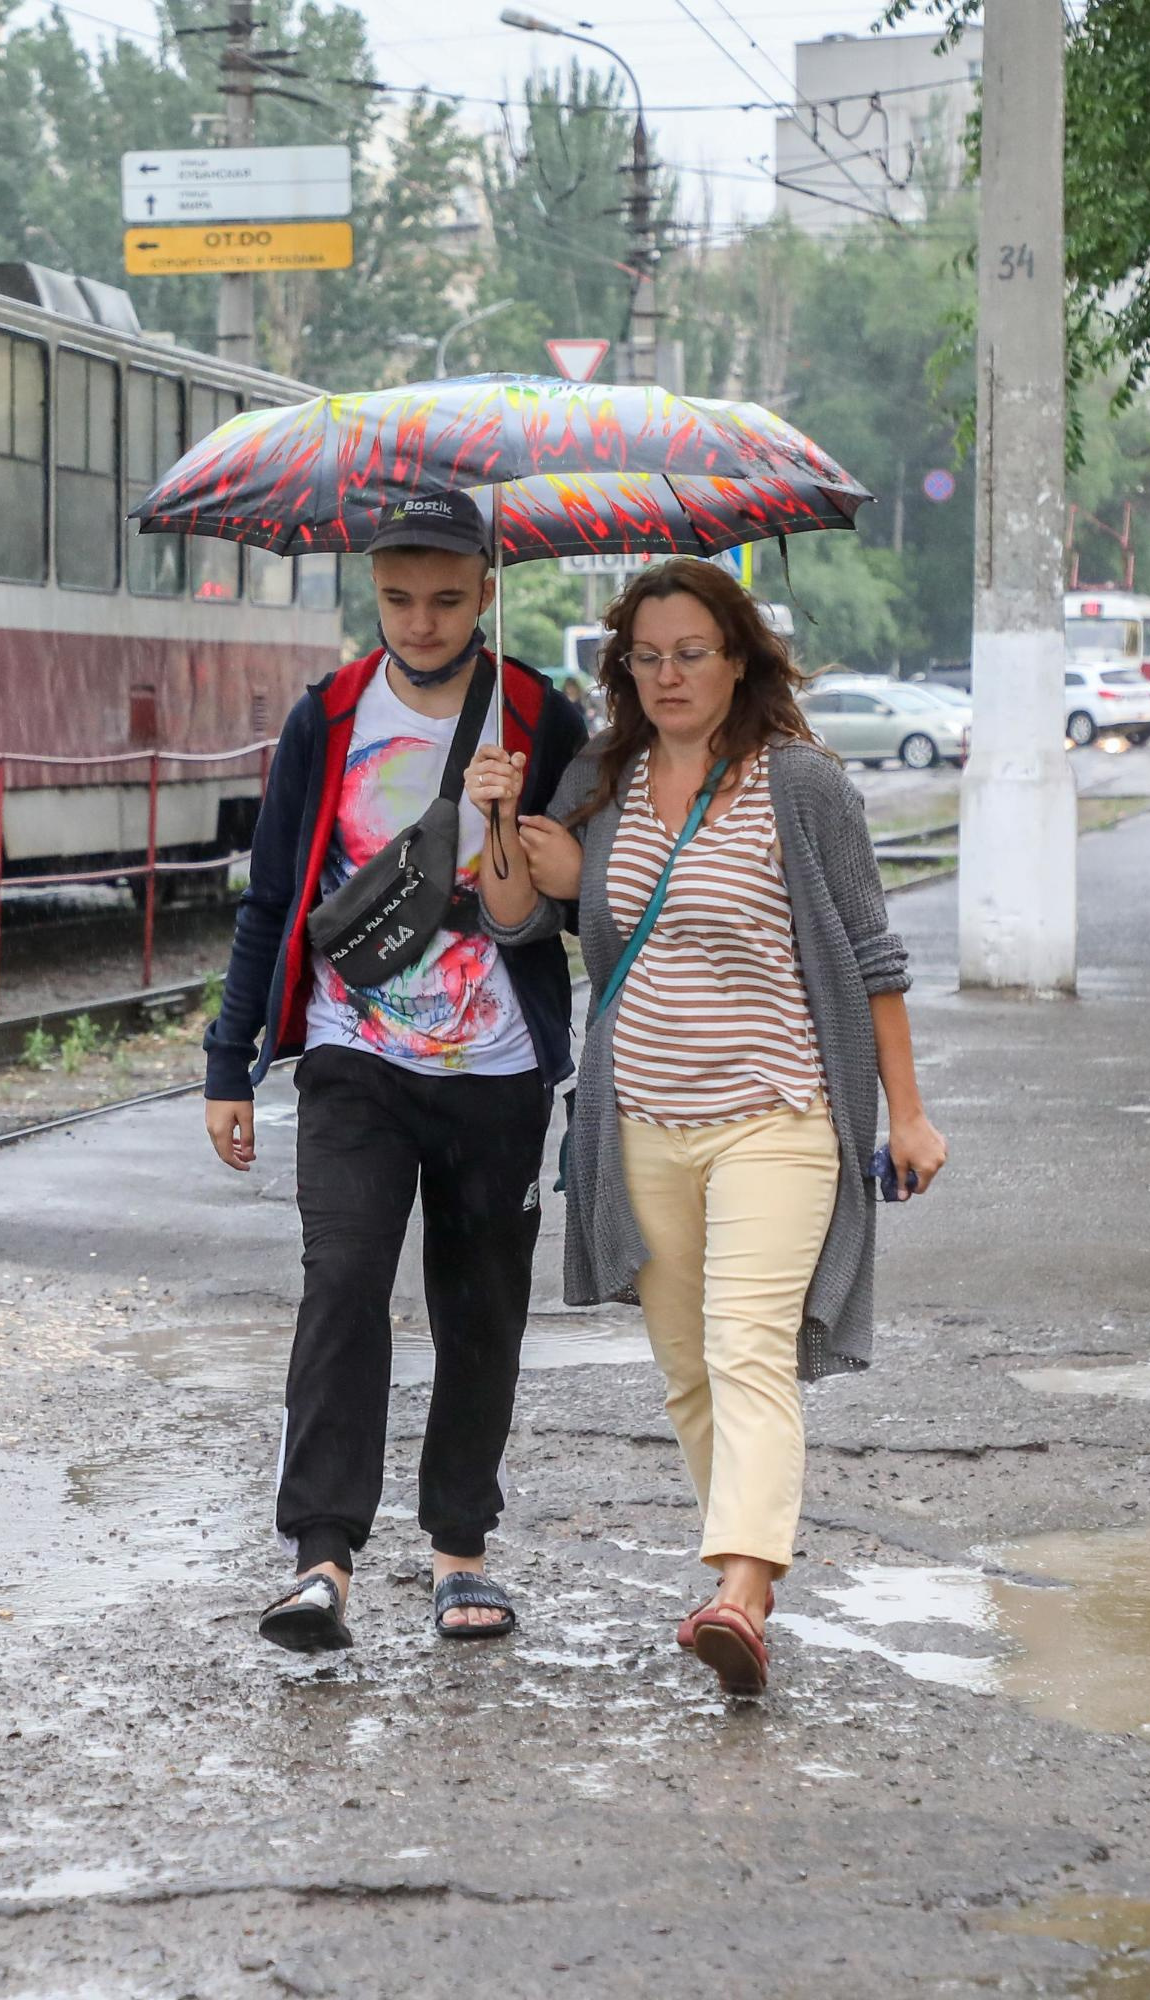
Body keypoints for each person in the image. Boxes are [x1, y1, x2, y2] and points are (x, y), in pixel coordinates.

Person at [487, 557, 948, 1696]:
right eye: (647, 656)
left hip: (776, 1114)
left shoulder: (803, 785)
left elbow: (874, 958)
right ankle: (744, 1577)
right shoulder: (604, 777)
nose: (669, 673)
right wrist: (503, 822)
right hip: (641, 1117)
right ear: (623, 668)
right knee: (690, 1370)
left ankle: (740, 1589)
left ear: (739, 656)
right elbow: (513, 919)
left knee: (749, 1346)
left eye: (692, 651)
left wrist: (910, 1112)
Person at [201, 492, 591, 1652]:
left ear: (486, 587)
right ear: (373, 590)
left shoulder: (539, 714)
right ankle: (321, 1557)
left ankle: (460, 1551)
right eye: (398, 599)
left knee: (481, 1309)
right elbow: (273, 897)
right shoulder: (328, 715)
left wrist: (516, 817)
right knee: (344, 1284)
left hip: (498, 1063)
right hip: (352, 1053)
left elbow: (569, 904)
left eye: (446, 599)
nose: (420, 623)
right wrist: (231, 1060)